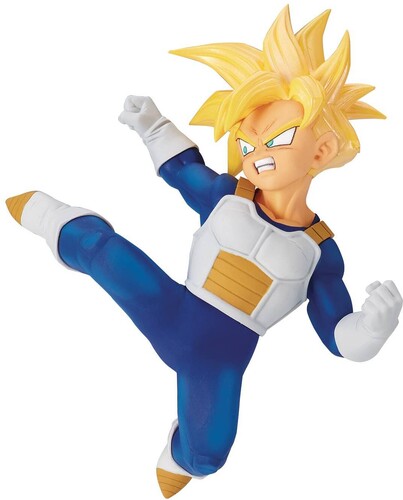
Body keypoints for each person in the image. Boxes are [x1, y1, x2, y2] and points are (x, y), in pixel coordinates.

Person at [6, 7, 402, 498]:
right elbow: (182, 170)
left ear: (321, 152)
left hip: (217, 363)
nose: (257, 155)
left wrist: (372, 329)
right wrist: (152, 126)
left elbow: (338, 334)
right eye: (247, 143)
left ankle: (179, 453)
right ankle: (50, 217)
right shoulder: (228, 195)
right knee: (99, 248)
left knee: (207, 457)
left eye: (276, 140)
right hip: (170, 305)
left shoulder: (321, 253)